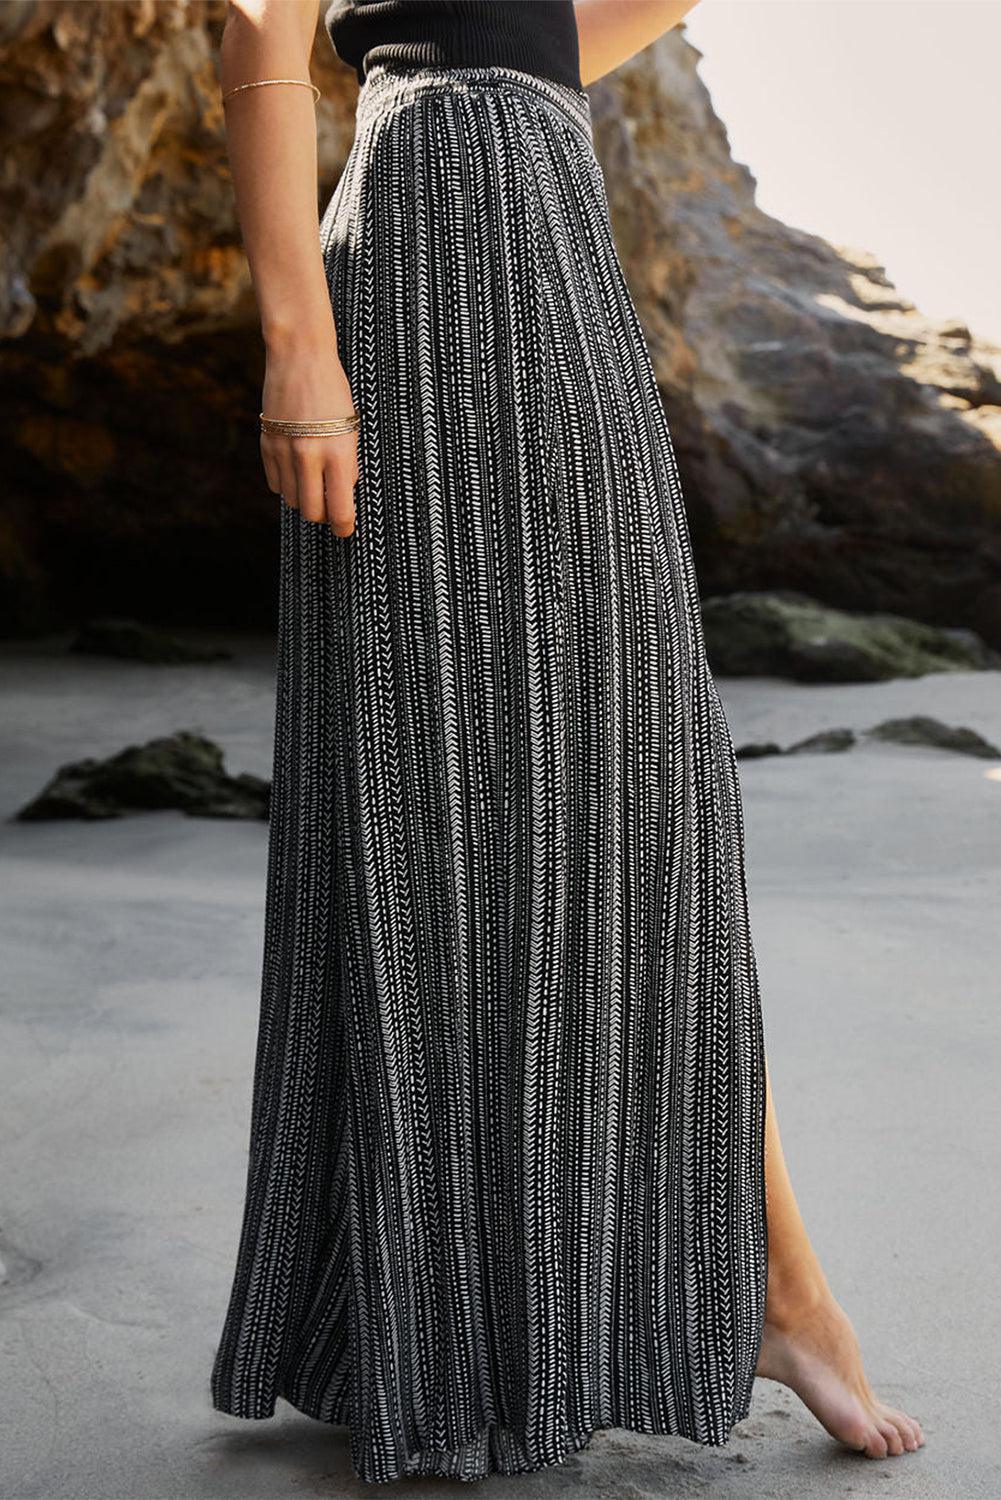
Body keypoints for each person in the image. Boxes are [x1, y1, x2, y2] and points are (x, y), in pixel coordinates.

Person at [209, 0, 924, 1484]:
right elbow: (254, 20)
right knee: (476, 788)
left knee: (622, 784)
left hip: (536, 198)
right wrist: (294, 340)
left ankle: (739, 1290)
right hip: (445, 223)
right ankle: (719, 1296)